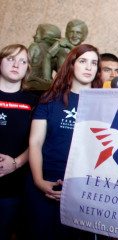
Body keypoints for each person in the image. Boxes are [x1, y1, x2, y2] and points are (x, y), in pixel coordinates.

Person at [26, 44, 102, 239]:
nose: (89, 67)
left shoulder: (103, 103)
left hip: (81, 189)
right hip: (45, 182)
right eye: (83, 61)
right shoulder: (50, 98)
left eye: (94, 63)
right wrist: (39, 181)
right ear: (71, 65)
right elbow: (35, 142)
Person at [0, 44, 38, 240]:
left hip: (13, 187)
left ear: (27, 69)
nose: (16, 64)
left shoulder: (33, 102)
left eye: (22, 61)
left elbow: (37, 141)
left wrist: (15, 163)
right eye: (10, 59)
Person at [27, 23, 61, 91]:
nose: (34, 36)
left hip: (31, 82)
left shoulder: (35, 46)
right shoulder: (55, 53)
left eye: (37, 33)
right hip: (46, 86)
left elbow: (25, 64)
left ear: (45, 37)